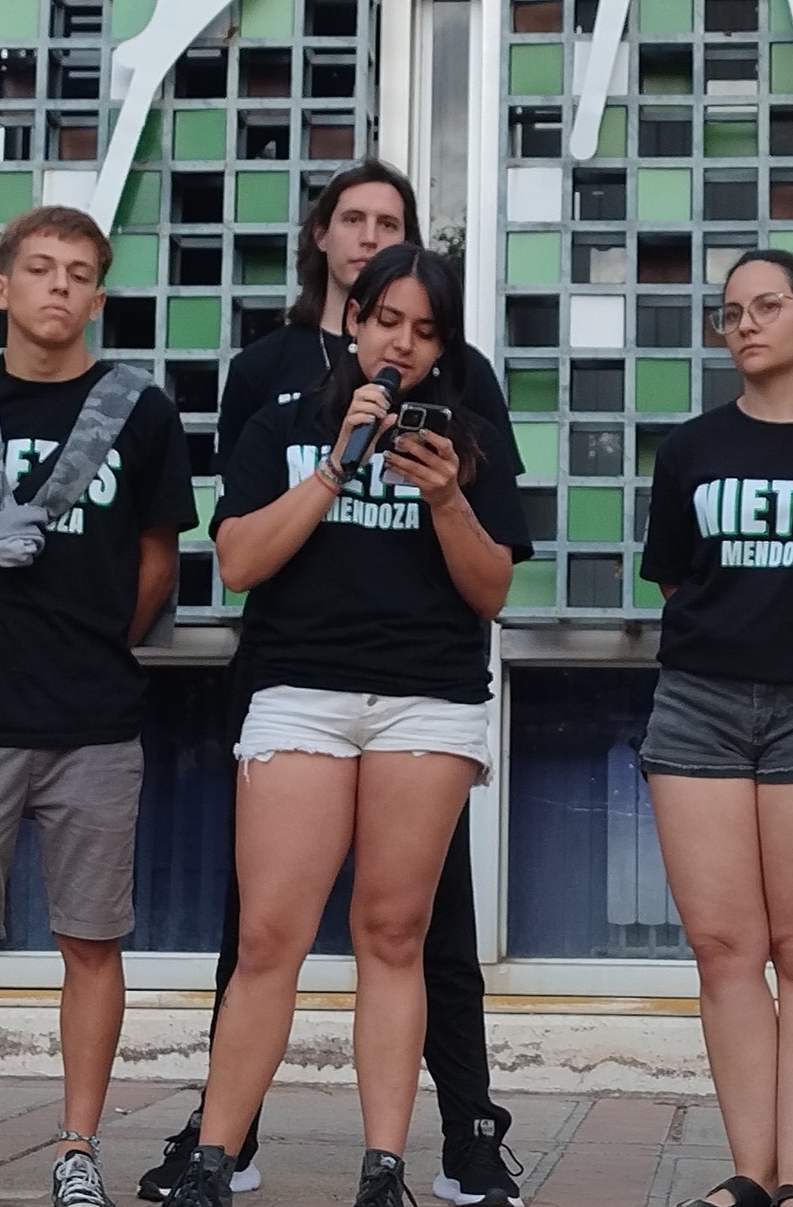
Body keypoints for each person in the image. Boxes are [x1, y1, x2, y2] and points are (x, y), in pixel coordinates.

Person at [142, 160, 526, 1207]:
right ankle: (216, 1154)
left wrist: (446, 496)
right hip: (299, 692)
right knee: (267, 933)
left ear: (442, 346)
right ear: (352, 321)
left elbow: (490, 585)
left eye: (423, 328)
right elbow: (237, 561)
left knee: (392, 934)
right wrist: (333, 466)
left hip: (425, 698)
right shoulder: (280, 423)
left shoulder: (470, 438)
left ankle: (384, 1163)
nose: (400, 340)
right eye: (384, 319)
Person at [0, 205, 197, 1207]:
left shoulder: (138, 411)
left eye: (78, 273)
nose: (58, 285)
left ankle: (75, 1144)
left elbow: (157, 556)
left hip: (93, 719)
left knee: (90, 939)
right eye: (39, 268)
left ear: (99, 297)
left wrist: (97, 637)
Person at [635, 249, 793, 1207]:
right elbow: (673, 576)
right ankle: (749, 1175)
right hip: (699, 703)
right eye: (729, 312)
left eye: (767, 306)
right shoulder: (691, 447)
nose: (745, 325)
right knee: (725, 950)